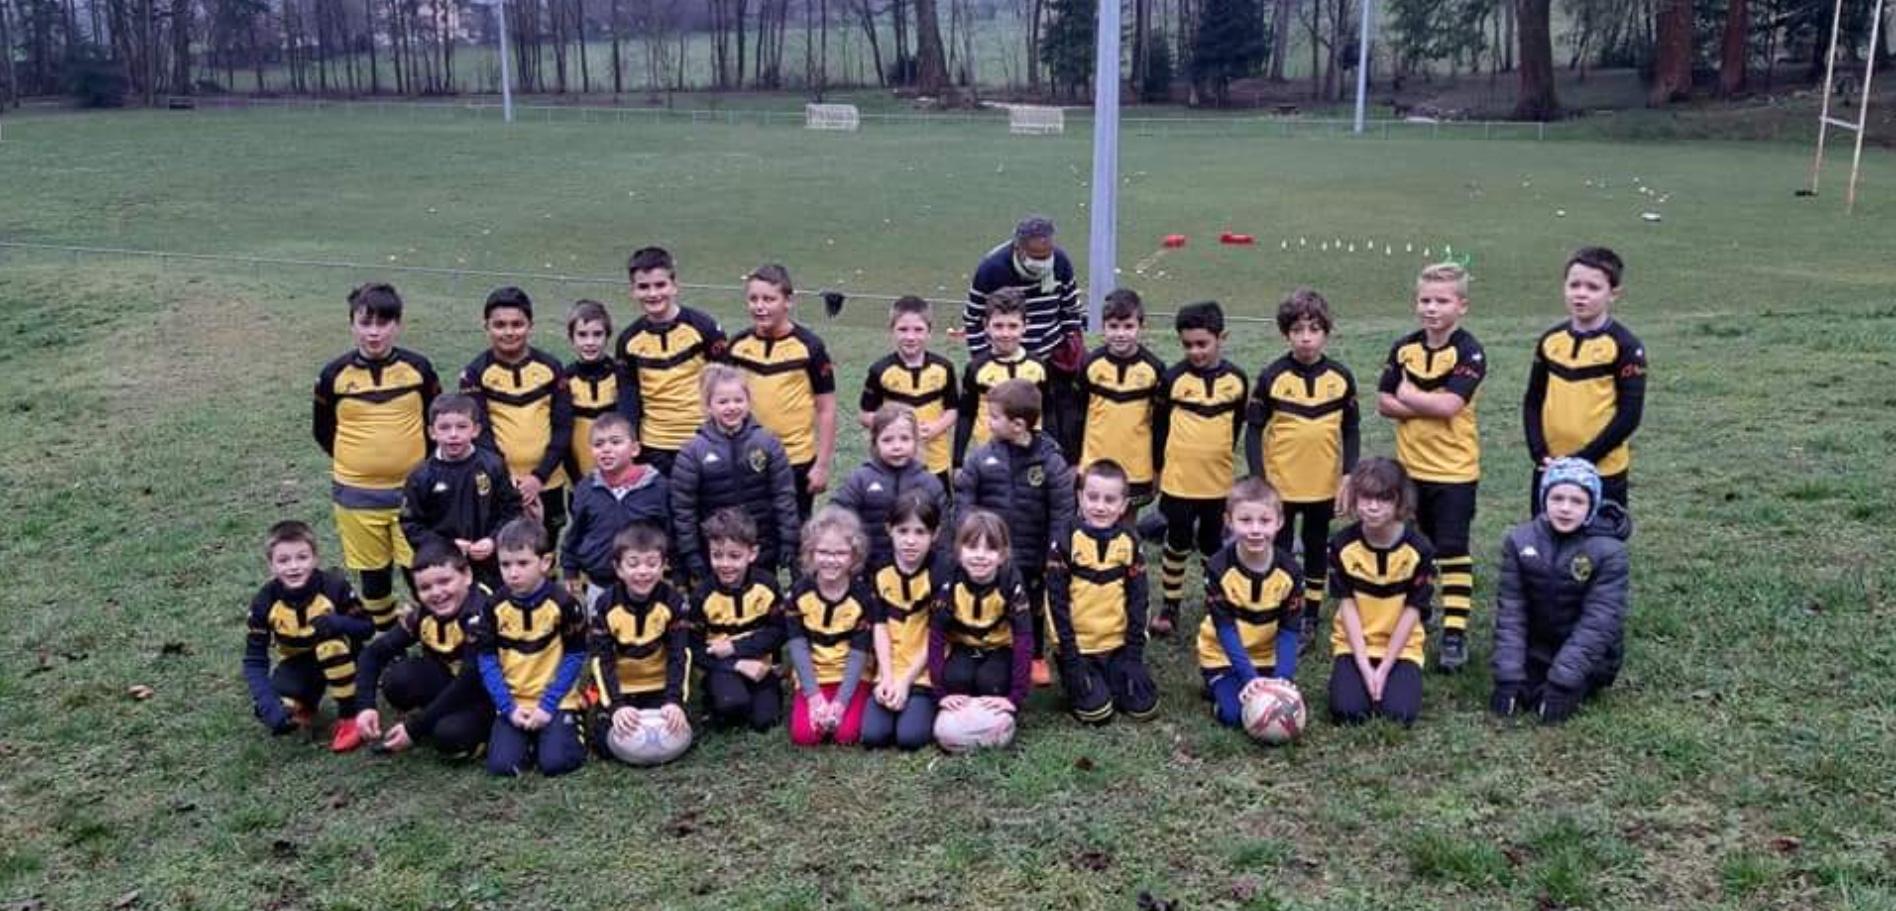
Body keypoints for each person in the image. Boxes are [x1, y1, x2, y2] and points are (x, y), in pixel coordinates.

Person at [313, 282, 440, 631]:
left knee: (421, 571)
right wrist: (359, 461)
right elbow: (323, 431)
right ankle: (387, 640)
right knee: (374, 577)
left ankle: (434, 638)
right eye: (365, 323)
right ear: (351, 324)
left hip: (412, 496)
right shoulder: (332, 375)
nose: (374, 332)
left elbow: (435, 423)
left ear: (397, 325)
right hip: (357, 497)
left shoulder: (419, 368)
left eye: (383, 323)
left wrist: (419, 470)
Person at [1377, 263, 1484, 672]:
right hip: (1409, 470)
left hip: (1455, 471)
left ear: (1462, 306)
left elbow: (1450, 406)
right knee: (1414, 548)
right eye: (1425, 300)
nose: (1432, 308)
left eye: (1442, 301)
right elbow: (1384, 403)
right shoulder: (1404, 348)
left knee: (1452, 550)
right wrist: (1423, 402)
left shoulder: (1469, 350)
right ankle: (1419, 616)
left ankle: (1455, 633)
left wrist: (1408, 396)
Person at [1243, 288, 1360, 650]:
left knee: (1315, 546)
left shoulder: (1341, 377)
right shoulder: (1272, 376)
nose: (1306, 338)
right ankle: (1279, 607)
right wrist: (1260, 478)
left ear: (1327, 332)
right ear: (1285, 334)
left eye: (1314, 329)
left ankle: (1309, 613)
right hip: (1281, 486)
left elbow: (1351, 429)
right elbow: (1254, 430)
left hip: (1322, 485)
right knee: (1278, 548)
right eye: (1297, 330)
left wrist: (1348, 475)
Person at [1491, 458, 1631, 724]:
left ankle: (1568, 681)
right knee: (1522, 696)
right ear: (1544, 500)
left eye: (1577, 501)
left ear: (1591, 505)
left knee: (1552, 703)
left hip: (1590, 656)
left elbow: (1599, 622)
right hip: (1537, 649)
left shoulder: (1610, 552)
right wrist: (1507, 675)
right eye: (1557, 498)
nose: (1565, 508)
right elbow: (1511, 611)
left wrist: (1562, 682)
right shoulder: (1519, 541)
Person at [955, 378, 1075, 687]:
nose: (989, 422)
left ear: (1019, 424)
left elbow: (1063, 510)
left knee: (1032, 604)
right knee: (995, 598)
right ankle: (994, 646)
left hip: (1033, 552)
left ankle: (1034, 656)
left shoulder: (1050, 461)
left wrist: (1055, 550)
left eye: (995, 417)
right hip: (992, 552)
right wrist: (969, 538)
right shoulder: (981, 458)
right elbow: (965, 499)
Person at [1523, 247, 1647, 512]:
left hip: (1602, 471)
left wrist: (1584, 459)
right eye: (1574, 285)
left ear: (1613, 294)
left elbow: (1629, 415)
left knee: (1598, 537)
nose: (1581, 294)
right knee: (1546, 535)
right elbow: (1533, 400)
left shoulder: (1626, 346)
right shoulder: (1550, 340)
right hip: (1551, 468)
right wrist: (1539, 453)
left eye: (1593, 287)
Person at [1152, 301, 1249, 637]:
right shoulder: (1172, 379)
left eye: (1202, 343)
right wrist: (1158, 470)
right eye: (1187, 345)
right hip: (1179, 481)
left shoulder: (1237, 380)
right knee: (1177, 541)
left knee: (1211, 543)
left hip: (1217, 483)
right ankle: (1170, 605)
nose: (1195, 351)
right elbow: (1159, 427)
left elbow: (1235, 425)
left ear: (1222, 338)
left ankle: (1215, 600)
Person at [241, 520, 374, 751]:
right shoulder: (264, 601)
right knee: (270, 707)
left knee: (330, 646)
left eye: (302, 557)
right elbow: (254, 660)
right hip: (299, 663)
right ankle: (305, 703)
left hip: (344, 656)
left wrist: (337, 623)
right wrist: (267, 702)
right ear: (271, 565)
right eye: (283, 560)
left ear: (315, 558)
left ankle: (350, 716)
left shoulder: (334, 586)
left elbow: (367, 628)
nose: (293, 567)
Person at [352, 542, 494, 758]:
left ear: (467, 575)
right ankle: (439, 714)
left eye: (445, 581)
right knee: (397, 680)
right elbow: (372, 654)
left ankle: (489, 733)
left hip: (489, 694)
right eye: (425, 587)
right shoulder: (424, 613)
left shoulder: (482, 614)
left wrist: (415, 728)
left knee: (449, 737)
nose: (436, 593)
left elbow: (469, 681)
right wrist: (365, 706)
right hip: (453, 682)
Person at [459, 286, 575, 549]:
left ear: (530, 326)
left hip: (547, 482)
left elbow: (563, 427)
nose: (509, 332)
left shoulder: (551, 367)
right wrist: (504, 478)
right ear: (486, 326)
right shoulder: (474, 373)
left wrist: (538, 478)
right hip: (498, 483)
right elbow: (480, 432)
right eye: (499, 325)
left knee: (544, 551)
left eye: (517, 324)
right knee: (501, 551)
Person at [471, 518, 587, 777]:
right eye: (505, 564)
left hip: (556, 700)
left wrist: (548, 705)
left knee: (557, 763)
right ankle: (529, 739)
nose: (513, 573)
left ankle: (569, 724)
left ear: (545, 562)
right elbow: (487, 660)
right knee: (502, 767)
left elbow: (576, 654)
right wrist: (508, 707)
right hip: (515, 702)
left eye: (523, 563)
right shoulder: (493, 607)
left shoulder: (564, 603)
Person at [964, 215, 1086, 456]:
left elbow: (1071, 309)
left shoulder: (1060, 262)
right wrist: (985, 360)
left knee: (1059, 430)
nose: (1042, 262)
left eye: (1046, 255)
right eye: (1035, 257)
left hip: (1051, 360)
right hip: (1005, 363)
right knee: (1007, 429)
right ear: (1018, 248)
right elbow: (972, 319)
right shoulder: (992, 269)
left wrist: (1072, 345)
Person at [671, 364, 802, 587]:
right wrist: (691, 552)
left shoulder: (768, 443)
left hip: (761, 548)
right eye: (723, 402)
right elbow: (683, 508)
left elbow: (784, 496)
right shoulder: (692, 451)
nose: (732, 407)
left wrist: (788, 540)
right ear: (708, 406)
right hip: (715, 554)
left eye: (738, 400)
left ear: (748, 402)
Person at [1048, 460, 1158, 725]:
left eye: (1110, 500)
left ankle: (1114, 675)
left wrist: (1134, 655)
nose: (1100, 506)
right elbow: (1055, 602)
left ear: (1123, 505)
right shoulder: (1065, 539)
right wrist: (1069, 653)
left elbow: (1139, 600)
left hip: (1118, 645)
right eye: (1092, 497)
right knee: (1097, 713)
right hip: (1079, 648)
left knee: (1144, 709)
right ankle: (1079, 677)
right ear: (1080, 497)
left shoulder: (1130, 541)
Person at [1326, 459, 1434, 727]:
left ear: (1400, 501)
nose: (1373, 507)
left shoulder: (1419, 549)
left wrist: (1385, 667)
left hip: (1402, 647)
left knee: (1399, 716)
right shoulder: (1341, 545)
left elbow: (1413, 609)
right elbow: (1347, 605)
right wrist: (1364, 665)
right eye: (1365, 498)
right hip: (1355, 645)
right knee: (1347, 713)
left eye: (1384, 499)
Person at [727, 264, 837, 519]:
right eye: (753, 299)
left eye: (769, 299)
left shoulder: (810, 347)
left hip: (795, 461)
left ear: (788, 301)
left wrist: (821, 465)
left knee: (793, 533)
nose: (760, 306)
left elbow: (826, 408)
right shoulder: (738, 346)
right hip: (746, 457)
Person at [1196, 478, 1302, 729]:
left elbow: (1289, 631)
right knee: (1236, 716)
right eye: (1245, 520)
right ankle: (1218, 690)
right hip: (1222, 657)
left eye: (1265, 521)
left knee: (1283, 710)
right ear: (1229, 521)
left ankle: (1247, 685)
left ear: (1280, 522)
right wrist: (1250, 679)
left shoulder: (1291, 571)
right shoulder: (1217, 568)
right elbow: (1225, 629)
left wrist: (1282, 678)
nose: (1255, 530)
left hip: (1268, 658)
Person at [615, 246, 728, 476]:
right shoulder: (628, 340)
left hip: (702, 441)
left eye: (660, 285)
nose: (653, 293)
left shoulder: (704, 327)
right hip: (653, 446)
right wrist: (628, 443)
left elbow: (725, 384)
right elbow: (629, 397)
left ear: (675, 285)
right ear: (633, 291)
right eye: (643, 287)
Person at [588, 523, 694, 765]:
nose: (643, 571)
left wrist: (674, 701)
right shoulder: (605, 605)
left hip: (660, 685)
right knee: (605, 742)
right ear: (618, 568)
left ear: (664, 565)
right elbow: (600, 660)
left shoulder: (674, 602)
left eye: (652, 563)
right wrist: (616, 706)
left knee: (679, 732)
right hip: (622, 687)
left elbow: (680, 654)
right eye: (633, 564)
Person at [399, 393, 521, 592]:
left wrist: (494, 540)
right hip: (445, 566)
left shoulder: (493, 466)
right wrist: (447, 545)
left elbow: (512, 510)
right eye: (444, 428)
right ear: (432, 432)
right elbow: (411, 525)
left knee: (492, 605)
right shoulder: (421, 477)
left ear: (476, 430)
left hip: (492, 564)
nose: (453, 434)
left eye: (462, 427)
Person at [927, 510, 1035, 720]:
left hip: (1000, 648)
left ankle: (995, 707)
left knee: (991, 683)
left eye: (990, 548)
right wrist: (939, 692)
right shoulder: (950, 579)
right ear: (959, 551)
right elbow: (936, 636)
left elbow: (1024, 639)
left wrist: (1015, 697)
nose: (980, 555)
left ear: (1003, 554)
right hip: (966, 647)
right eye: (972, 547)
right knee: (956, 681)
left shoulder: (1010, 581)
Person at [784, 507, 876, 746]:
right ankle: (813, 702)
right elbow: (798, 647)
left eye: (840, 553)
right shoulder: (798, 593)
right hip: (814, 676)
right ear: (810, 553)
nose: (831, 560)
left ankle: (853, 704)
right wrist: (814, 697)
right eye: (823, 552)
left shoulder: (864, 598)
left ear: (854, 557)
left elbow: (858, 655)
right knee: (804, 736)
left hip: (851, 677)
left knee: (846, 734)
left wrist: (840, 703)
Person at [861, 490, 946, 750]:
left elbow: (937, 636)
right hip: (889, 667)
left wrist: (905, 681)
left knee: (910, 739)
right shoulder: (879, 569)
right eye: (903, 531)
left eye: (920, 532)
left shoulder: (942, 571)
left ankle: (927, 704)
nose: (910, 541)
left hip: (923, 671)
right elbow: (879, 626)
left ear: (935, 534)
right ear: (889, 530)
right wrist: (887, 677)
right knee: (873, 736)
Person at [560, 413, 669, 609]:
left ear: (635, 449)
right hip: (600, 583)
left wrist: (678, 573)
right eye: (598, 444)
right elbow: (575, 532)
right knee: (600, 626)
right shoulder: (586, 488)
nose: (606, 449)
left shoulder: (657, 487)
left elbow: (670, 531)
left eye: (615, 442)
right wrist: (570, 570)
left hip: (647, 582)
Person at [691, 508, 787, 732]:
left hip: (761, 665)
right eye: (717, 555)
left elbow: (780, 632)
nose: (725, 564)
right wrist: (735, 663)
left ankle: (768, 688)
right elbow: (694, 648)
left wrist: (736, 647)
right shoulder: (702, 594)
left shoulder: (767, 584)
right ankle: (714, 697)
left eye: (734, 556)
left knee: (766, 722)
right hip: (723, 667)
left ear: (752, 553)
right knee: (732, 707)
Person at [1076, 289, 1166, 513]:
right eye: (1113, 326)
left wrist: (1158, 467)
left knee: (1128, 518)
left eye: (1128, 327)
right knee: (1092, 515)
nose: (1120, 334)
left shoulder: (1154, 369)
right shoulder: (1090, 364)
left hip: (1136, 465)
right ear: (1103, 327)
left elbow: (1160, 423)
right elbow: (1078, 414)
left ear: (1141, 327)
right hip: (1094, 461)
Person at [831, 404, 948, 570]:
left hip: (919, 570)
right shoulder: (861, 479)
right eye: (887, 440)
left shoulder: (929, 482)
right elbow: (837, 517)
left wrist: (942, 567)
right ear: (875, 442)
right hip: (869, 568)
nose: (897, 446)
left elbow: (943, 531)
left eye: (905, 439)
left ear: (916, 441)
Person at [859, 296, 959, 489]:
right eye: (903, 329)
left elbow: (952, 409)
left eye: (918, 330)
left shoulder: (944, 368)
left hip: (935, 460)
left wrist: (937, 427)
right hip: (894, 460)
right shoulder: (880, 370)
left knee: (937, 506)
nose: (911, 337)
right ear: (892, 331)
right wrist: (898, 429)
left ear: (930, 332)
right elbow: (865, 415)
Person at [954, 288, 1050, 467]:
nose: (1005, 334)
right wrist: (957, 461)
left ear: (1025, 326)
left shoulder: (1038, 367)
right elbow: (966, 415)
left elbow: (1049, 412)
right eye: (998, 326)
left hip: (1030, 456)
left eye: (1013, 326)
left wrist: (1051, 451)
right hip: (988, 457)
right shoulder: (976, 368)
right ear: (986, 325)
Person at [564, 299, 620, 481]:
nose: (590, 342)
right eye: (582, 335)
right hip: (580, 475)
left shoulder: (621, 375)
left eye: (597, 334)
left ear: (608, 336)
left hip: (619, 475)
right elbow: (562, 434)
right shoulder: (565, 379)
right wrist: (576, 478)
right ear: (571, 337)